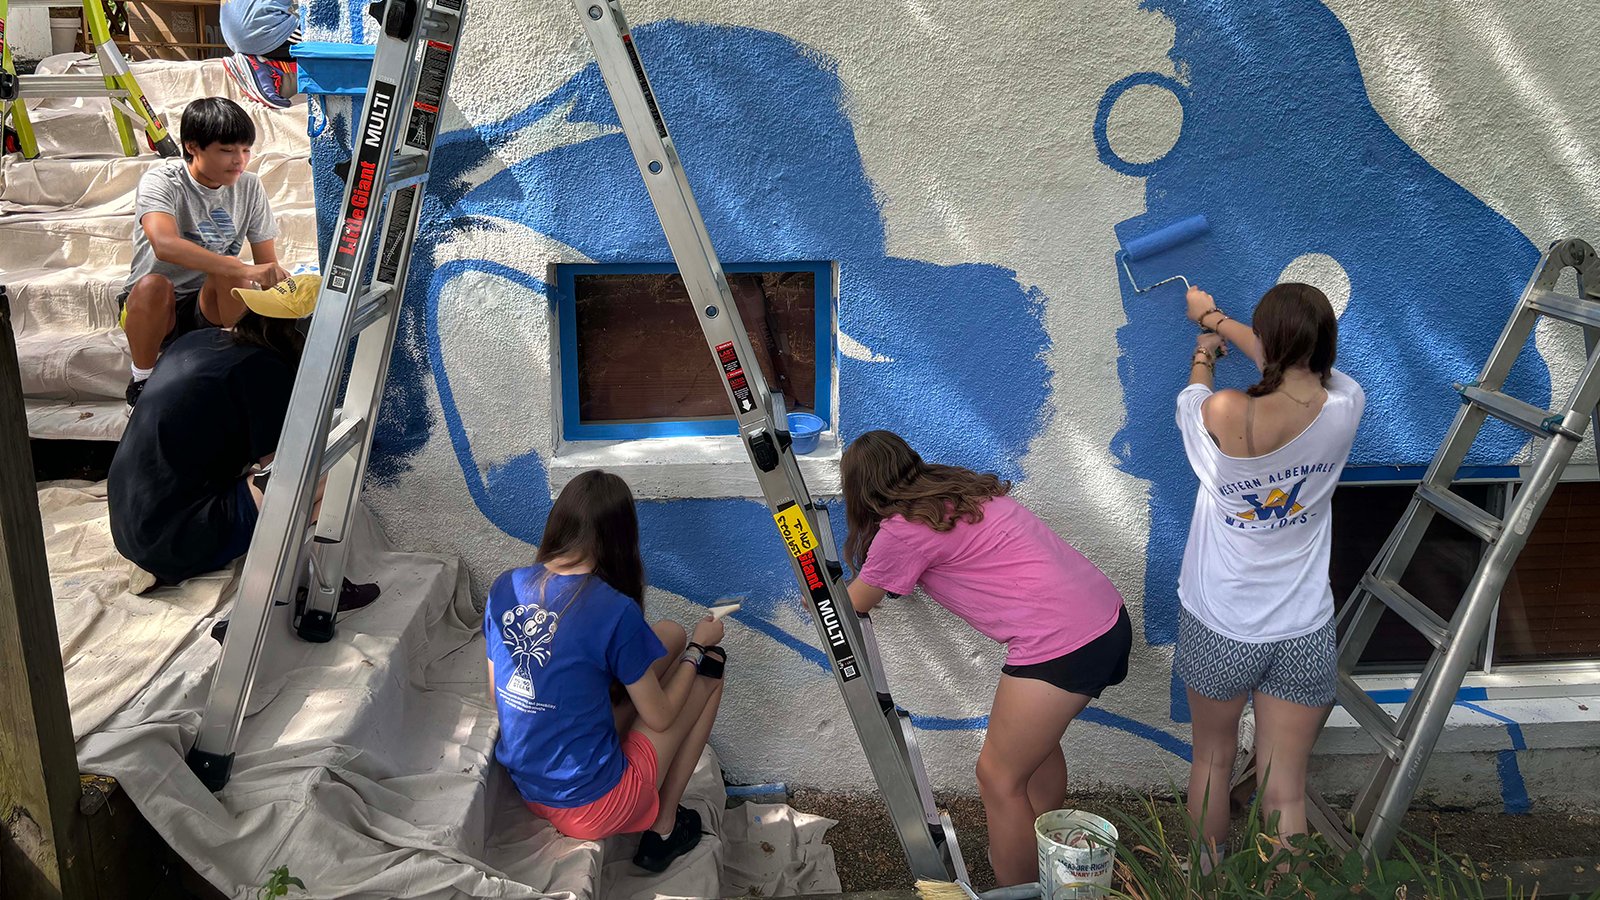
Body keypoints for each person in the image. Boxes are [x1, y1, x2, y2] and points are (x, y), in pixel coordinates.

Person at [841, 431, 1131, 886]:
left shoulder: (903, 530)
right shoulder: (962, 493)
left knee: (997, 777)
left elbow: (852, 604)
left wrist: (815, 592)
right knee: (1033, 752)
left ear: (859, 490)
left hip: (1062, 641)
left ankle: (1018, 891)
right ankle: (1046, 858)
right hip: (1105, 619)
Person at [1173, 283, 1364, 871]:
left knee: (1212, 759)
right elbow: (1285, 365)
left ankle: (1207, 878)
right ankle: (1290, 887)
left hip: (1222, 621)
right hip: (1304, 628)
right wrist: (1220, 318)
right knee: (1285, 787)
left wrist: (1205, 344)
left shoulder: (1223, 412)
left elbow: (1198, 390)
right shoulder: (1346, 402)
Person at [485, 471, 729, 873]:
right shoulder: (614, 610)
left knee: (669, 633)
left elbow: (498, 695)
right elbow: (661, 716)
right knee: (709, 667)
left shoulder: (505, 587)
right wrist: (698, 647)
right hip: (594, 806)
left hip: (530, 784)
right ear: (620, 537)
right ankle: (664, 828)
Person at [109, 274, 310, 584]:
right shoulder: (266, 370)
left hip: (130, 527)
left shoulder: (197, 340)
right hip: (172, 542)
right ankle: (305, 586)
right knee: (319, 476)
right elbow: (280, 472)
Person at [120, 96, 287, 408]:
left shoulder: (249, 186)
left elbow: (268, 266)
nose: (239, 160)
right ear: (192, 146)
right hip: (156, 308)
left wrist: (286, 295)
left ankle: (242, 364)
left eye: (246, 150)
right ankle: (141, 383)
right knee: (155, 284)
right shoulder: (162, 181)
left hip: (209, 302)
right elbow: (164, 244)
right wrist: (242, 269)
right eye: (227, 150)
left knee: (228, 270)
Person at [221, 0, 301, 109]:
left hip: (232, 36)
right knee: (325, 39)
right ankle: (260, 64)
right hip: (262, 31)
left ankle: (260, 61)